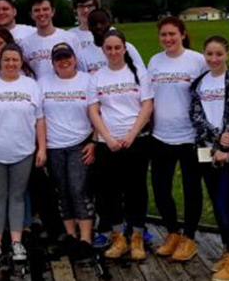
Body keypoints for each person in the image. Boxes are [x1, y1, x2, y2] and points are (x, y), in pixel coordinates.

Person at [143, 16, 210, 261]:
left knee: (192, 189)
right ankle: (172, 232)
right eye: (164, 35)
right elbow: (148, 97)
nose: (168, 39)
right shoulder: (155, 61)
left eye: (172, 34)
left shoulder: (197, 60)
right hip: (161, 135)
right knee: (161, 188)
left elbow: (210, 93)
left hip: (190, 137)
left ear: (182, 34)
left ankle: (189, 238)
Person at [0, 44, 47, 262]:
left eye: (15, 59)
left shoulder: (31, 85)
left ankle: (17, 242)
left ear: (21, 62)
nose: (11, 63)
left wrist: (41, 147)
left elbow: (40, 120)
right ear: (0, 61)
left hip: (23, 152)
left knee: (17, 197)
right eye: (7, 59)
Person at [189, 36, 229, 281]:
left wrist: (226, 143)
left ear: (227, 54)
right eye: (209, 54)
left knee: (226, 204)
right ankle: (227, 252)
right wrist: (216, 140)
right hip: (206, 151)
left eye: (218, 54)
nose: (213, 59)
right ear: (204, 55)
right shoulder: (199, 83)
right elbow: (196, 116)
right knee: (216, 203)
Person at [92, 30, 153, 261]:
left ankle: (136, 236)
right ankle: (118, 236)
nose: (114, 52)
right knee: (110, 190)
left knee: (136, 188)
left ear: (125, 48)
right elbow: (93, 110)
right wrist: (107, 137)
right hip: (108, 143)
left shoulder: (138, 73)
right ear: (103, 50)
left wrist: (132, 134)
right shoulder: (97, 76)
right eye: (109, 48)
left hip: (136, 140)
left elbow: (147, 106)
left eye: (118, 47)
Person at [40, 43, 99, 256]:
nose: (63, 62)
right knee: (62, 191)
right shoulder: (44, 83)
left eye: (67, 57)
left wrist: (94, 141)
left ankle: (86, 238)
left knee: (78, 190)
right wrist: (42, 148)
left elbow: (97, 114)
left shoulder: (87, 80)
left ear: (74, 58)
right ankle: (71, 236)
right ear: (53, 62)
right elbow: (39, 117)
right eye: (58, 58)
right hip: (54, 146)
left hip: (79, 143)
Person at [20, 0, 76, 79]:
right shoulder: (25, 44)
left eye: (45, 9)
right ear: (31, 14)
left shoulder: (70, 38)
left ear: (52, 11)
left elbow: (78, 69)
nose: (41, 13)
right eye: (37, 10)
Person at [79, 8, 144, 75]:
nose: (98, 26)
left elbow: (142, 73)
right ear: (89, 27)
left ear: (109, 24)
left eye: (102, 22)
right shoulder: (83, 55)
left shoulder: (127, 48)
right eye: (94, 23)